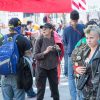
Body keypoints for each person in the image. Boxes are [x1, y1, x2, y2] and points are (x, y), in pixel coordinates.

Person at [0, 18, 32, 100]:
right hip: (18, 74)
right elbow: (29, 57)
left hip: (4, 74)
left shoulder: (2, 39)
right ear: (18, 27)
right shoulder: (23, 39)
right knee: (19, 97)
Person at [34, 23, 64, 100]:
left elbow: (60, 54)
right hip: (41, 68)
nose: (43, 30)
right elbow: (35, 56)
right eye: (42, 28)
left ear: (51, 29)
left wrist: (59, 50)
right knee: (40, 91)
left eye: (45, 28)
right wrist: (45, 52)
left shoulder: (56, 39)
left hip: (53, 68)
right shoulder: (39, 40)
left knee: (55, 91)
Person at [73, 25, 100, 100]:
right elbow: (75, 64)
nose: (89, 40)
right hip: (86, 91)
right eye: (87, 38)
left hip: (96, 92)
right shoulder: (85, 51)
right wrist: (77, 69)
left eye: (91, 38)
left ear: (98, 37)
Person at [63, 10, 85, 100]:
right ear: (78, 18)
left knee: (71, 77)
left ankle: (73, 97)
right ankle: (81, 97)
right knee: (81, 76)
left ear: (70, 18)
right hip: (82, 55)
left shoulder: (66, 30)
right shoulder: (83, 27)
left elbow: (65, 42)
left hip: (71, 55)